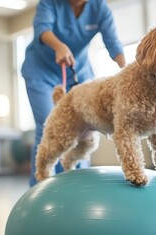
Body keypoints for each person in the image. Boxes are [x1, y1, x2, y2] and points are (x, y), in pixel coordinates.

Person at [22, 0, 126, 187]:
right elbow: (41, 28)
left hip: (78, 71)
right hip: (40, 71)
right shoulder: (50, 3)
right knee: (49, 125)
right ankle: (42, 186)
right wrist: (59, 46)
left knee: (85, 126)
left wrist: (128, 71)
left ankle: (77, 183)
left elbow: (113, 42)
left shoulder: (99, 7)